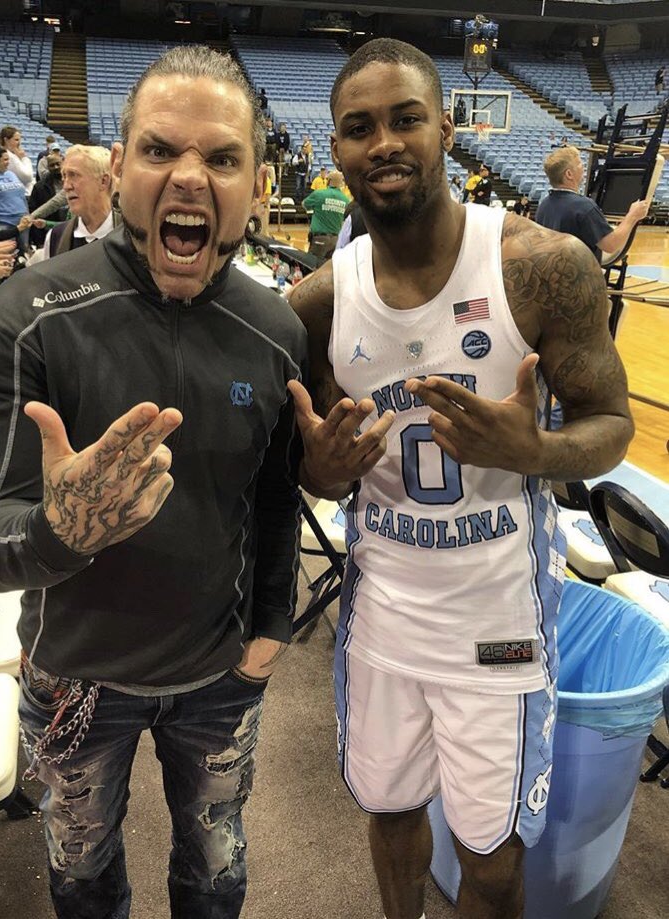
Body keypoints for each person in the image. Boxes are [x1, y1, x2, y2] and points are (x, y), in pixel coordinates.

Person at [288, 38, 633, 919]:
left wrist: (536, 452)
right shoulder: (318, 301)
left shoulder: (543, 266)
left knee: (491, 857)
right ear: (335, 150)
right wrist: (320, 473)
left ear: (448, 126)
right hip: (383, 617)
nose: (386, 143)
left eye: (407, 118)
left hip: (499, 628)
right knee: (392, 811)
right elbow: (317, 465)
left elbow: (613, 427)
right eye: (359, 128)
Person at [0, 44, 306, 919]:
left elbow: (270, 498)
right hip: (76, 680)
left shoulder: (275, 331)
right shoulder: (23, 321)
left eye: (222, 157)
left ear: (257, 185)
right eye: (160, 150)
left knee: (217, 875)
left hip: (220, 678)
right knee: (81, 882)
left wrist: (268, 629)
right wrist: (56, 533)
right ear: (120, 169)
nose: (190, 175)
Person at [536, 146, 650, 258]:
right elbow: (611, 245)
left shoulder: (544, 205)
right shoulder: (583, 206)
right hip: (580, 274)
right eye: (580, 164)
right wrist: (632, 216)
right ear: (569, 174)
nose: (583, 168)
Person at [302, 169, 349, 259]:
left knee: (312, 266)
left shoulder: (319, 194)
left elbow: (304, 204)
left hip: (319, 238)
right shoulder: (345, 200)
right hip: (336, 240)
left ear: (329, 181)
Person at [0, 124, 34, 195]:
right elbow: (27, 176)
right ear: (6, 140)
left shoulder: (12, 155)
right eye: (16, 140)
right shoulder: (10, 156)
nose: (19, 143)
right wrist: (24, 158)